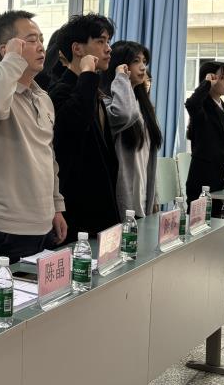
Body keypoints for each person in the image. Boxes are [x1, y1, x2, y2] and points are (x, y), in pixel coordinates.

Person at [0, 10, 66, 274]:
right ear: (7, 49)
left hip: (42, 225)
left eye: (41, 39)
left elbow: (48, 156)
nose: (41, 46)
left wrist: (56, 206)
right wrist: (11, 60)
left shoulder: (43, 98)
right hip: (3, 229)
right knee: (1, 299)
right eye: (31, 40)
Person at [48, 14, 121, 239]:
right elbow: (75, 124)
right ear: (77, 48)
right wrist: (87, 73)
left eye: (108, 41)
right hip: (77, 208)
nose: (108, 48)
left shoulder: (93, 91)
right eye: (100, 41)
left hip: (100, 203)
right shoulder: (60, 91)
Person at [101, 41, 162, 219]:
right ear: (120, 65)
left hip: (142, 195)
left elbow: (148, 156)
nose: (143, 67)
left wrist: (154, 195)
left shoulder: (142, 105)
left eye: (144, 62)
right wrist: (121, 78)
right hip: (122, 198)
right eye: (136, 61)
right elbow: (124, 114)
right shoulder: (107, 103)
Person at [185, 60, 224, 212]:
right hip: (203, 175)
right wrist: (206, 84)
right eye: (222, 78)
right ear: (211, 79)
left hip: (220, 174)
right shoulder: (203, 105)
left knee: (217, 218)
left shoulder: (222, 106)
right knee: (199, 220)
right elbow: (191, 104)